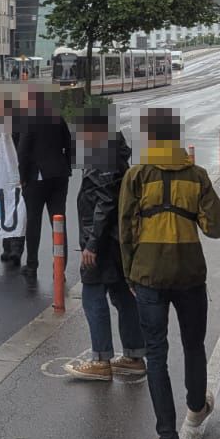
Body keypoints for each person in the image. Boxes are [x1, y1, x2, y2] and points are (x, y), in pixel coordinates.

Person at [120, 107, 220, 439]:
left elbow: (125, 231)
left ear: (150, 139)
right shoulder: (197, 176)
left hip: (148, 276)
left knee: (157, 354)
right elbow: (216, 228)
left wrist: (130, 274)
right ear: (177, 138)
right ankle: (196, 408)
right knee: (194, 344)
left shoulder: (136, 176)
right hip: (190, 275)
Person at [66, 108, 145, 382]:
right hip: (116, 239)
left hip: (103, 241)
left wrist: (91, 244)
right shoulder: (113, 153)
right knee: (122, 295)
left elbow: (104, 203)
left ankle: (101, 359)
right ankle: (134, 356)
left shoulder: (103, 158)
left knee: (92, 294)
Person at [7, 87, 74, 281]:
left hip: (37, 179)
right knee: (58, 222)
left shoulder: (29, 122)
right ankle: (59, 268)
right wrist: (66, 167)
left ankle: (32, 265)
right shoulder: (58, 119)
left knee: (34, 222)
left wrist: (23, 176)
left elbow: (23, 152)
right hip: (59, 177)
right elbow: (69, 146)